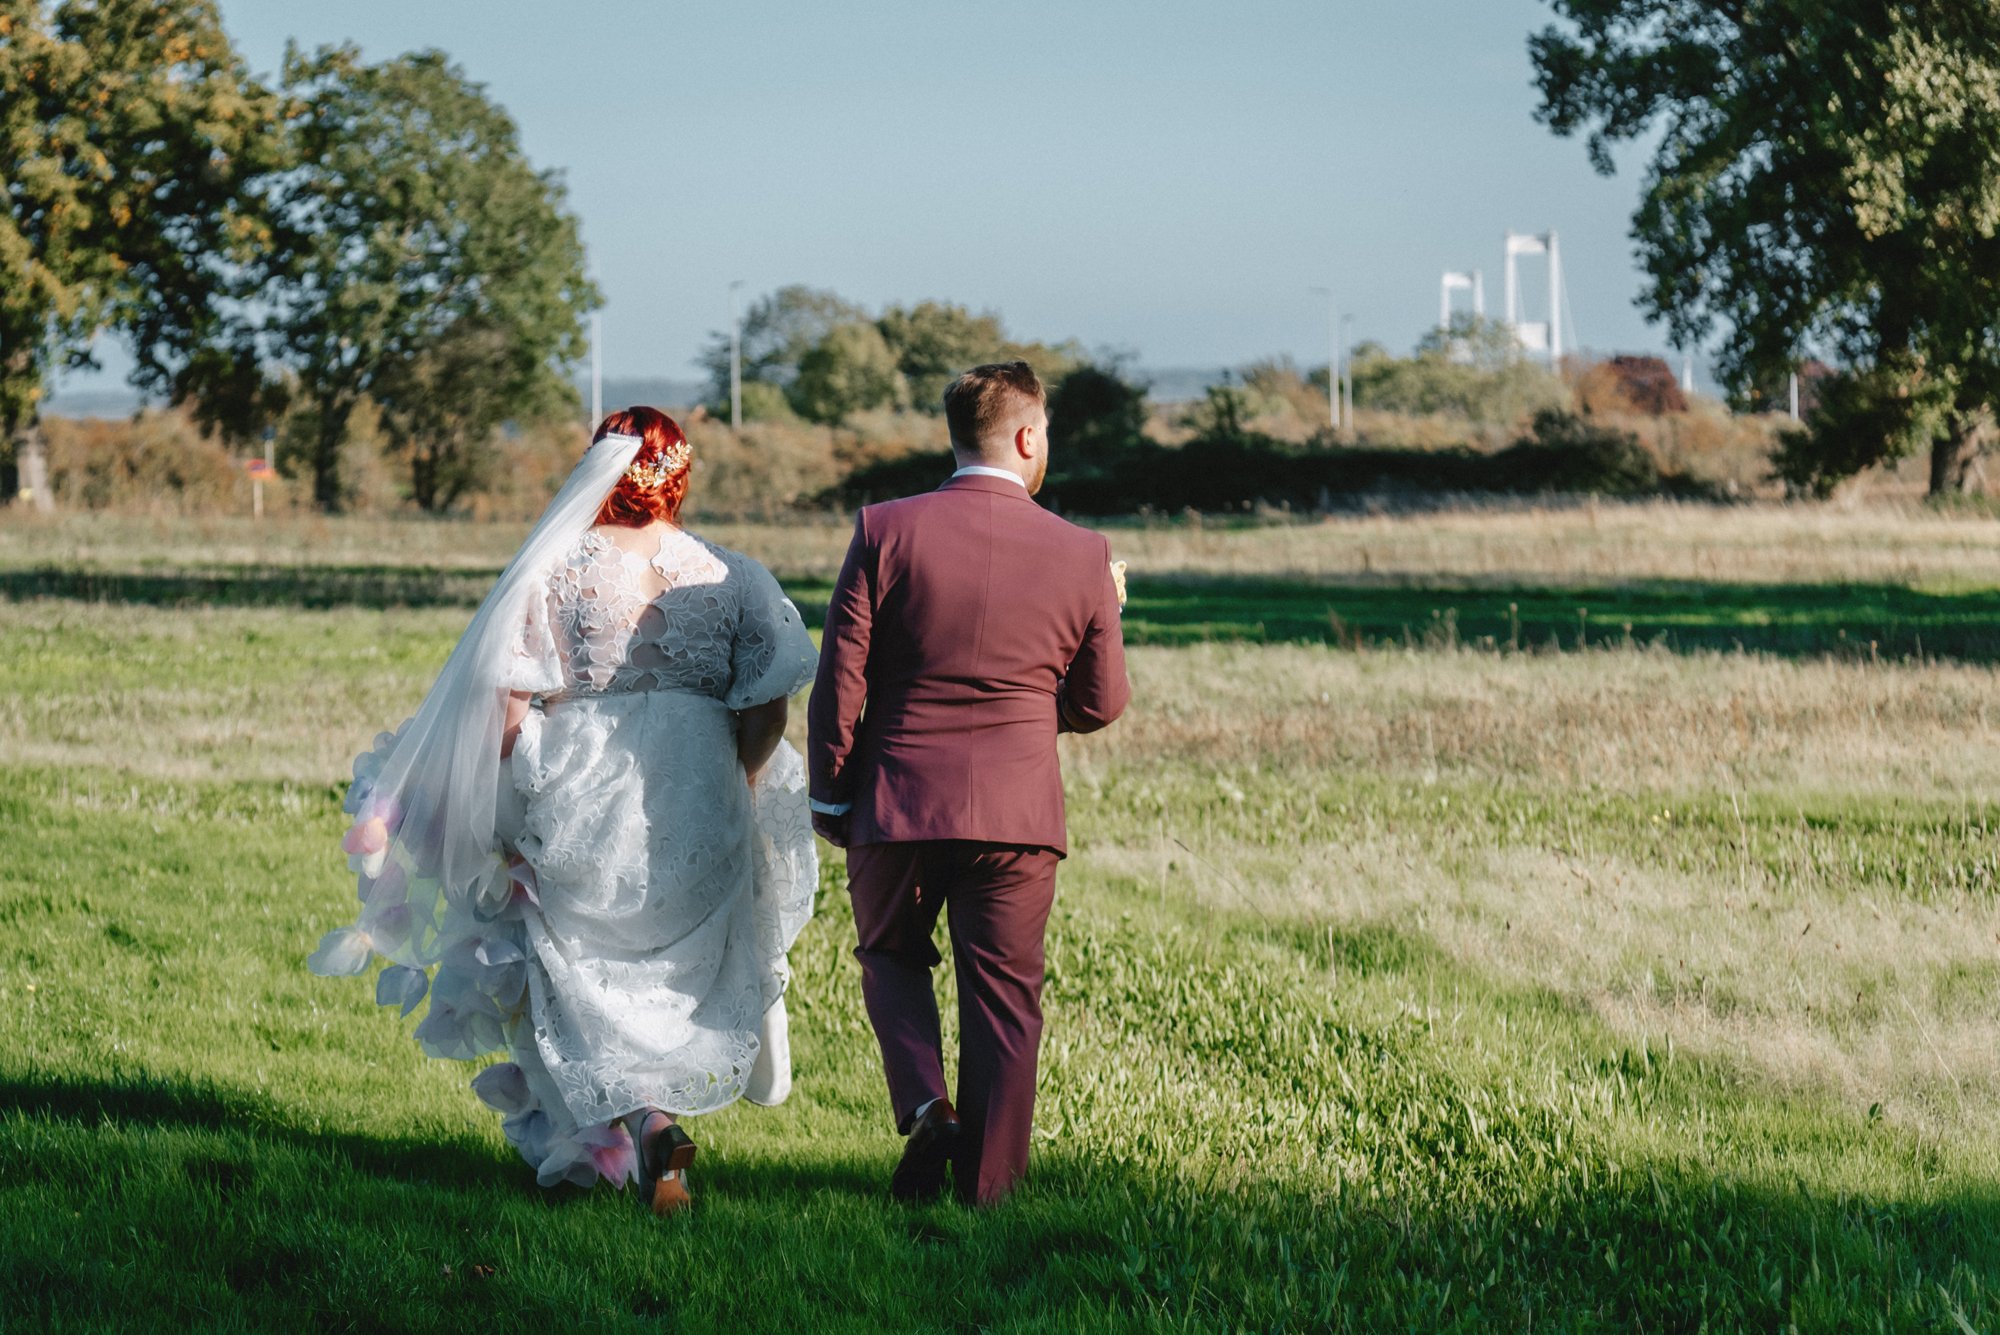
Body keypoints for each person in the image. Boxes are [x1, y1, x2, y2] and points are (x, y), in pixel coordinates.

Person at [310, 407, 818, 1216]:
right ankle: (662, 1126)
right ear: (679, 473)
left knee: (581, 961)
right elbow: (767, 706)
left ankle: (643, 1121)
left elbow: (509, 704)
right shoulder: (735, 575)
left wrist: (523, 774)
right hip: (697, 782)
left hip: (582, 778)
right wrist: (737, 778)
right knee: (676, 967)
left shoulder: (556, 568)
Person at [807, 361, 1130, 1206]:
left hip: (898, 795)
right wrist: (1036, 696)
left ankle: (925, 1105)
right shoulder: (1085, 553)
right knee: (1006, 998)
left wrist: (832, 795)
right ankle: (988, 1190)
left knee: (890, 954)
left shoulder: (885, 529)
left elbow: (841, 675)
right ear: (1028, 437)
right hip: (1018, 814)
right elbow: (1100, 703)